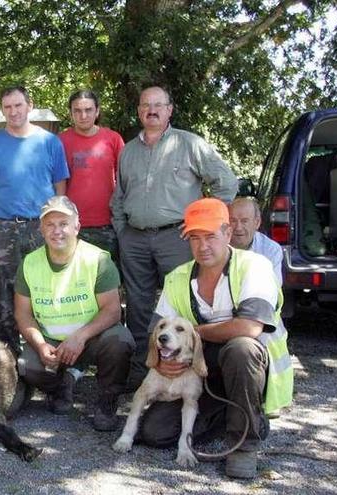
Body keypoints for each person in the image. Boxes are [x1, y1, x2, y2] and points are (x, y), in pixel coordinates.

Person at [135, 198, 293, 478]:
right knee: (154, 433)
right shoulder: (177, 278)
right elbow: (157, 332)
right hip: (198, 372)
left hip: (245, 365)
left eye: (210, 236)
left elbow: (249, 327)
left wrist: (193, 334)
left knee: (240, 348)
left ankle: (244, 443)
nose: (202, 246)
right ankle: (229, 414)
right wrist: (161, 362)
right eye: (194, 238)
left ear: (228, 233)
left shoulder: (255, 266)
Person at [110, 86, 238, 384]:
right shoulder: (128, 151)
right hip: (135, 238)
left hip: (177, 239)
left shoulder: (190, 144)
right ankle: (144, 370)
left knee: (183, 302)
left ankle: (190, 370)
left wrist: (203, 224)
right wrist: (122, 231)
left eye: (158, 104)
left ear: (170, 109)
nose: (151, 110)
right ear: (139, 110)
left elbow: (226, 183)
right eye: (145, 105)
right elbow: (119, 196)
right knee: (139, 305)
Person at [15, 196, 134, 430]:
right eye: (50, 224)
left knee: (120, 342)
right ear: (41, 229)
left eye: (63, 223)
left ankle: (107, 402)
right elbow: (23, 314)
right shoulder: (29, 263)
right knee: (26, 365)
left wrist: (80, 337)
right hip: (51, 341)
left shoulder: (97, 259)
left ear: (77, 227)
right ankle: (62, 386)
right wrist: (40, 345)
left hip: (90, 338)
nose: (57, 230)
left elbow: (112, 311)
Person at [0, 85, 69, 353]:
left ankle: (45, 350)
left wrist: (58, 223)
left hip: (41, 228)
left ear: (30, 105)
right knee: (2, 292)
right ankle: (8, 357)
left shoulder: (50, 142)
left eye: (18, 105)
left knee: (44, 287)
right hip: (2, 227)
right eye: (7, 107)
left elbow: (59, 186)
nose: (13, 111)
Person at [58, 90, 125, 263]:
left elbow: (126, 181)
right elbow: (54, 183)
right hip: (72, 225)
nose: (83, 115)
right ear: (70, 113)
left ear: (97, 111)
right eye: (77, 111)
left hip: (108, 224)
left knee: (107, 280)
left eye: (88, 110)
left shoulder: (113, 139)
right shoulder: (60, 142)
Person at [229, 197, 283, 283]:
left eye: (244, 221)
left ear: (257, 223)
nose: (238, 228)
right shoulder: (218, 245)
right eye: (233, 221)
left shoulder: (270, 250)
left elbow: (273, 288)